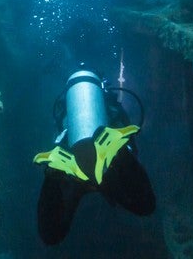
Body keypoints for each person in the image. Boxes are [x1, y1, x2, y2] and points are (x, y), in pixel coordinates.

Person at [33, 67, 156, 245]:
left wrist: (53, 176)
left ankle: (54, 173)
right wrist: (122, 154)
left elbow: (60, 132)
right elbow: (131, 145)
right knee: (146, 206)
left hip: (74, 165)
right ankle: (116, 152)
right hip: (108, 165)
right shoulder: (110, 106)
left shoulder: (67, 110)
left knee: (51, 235)